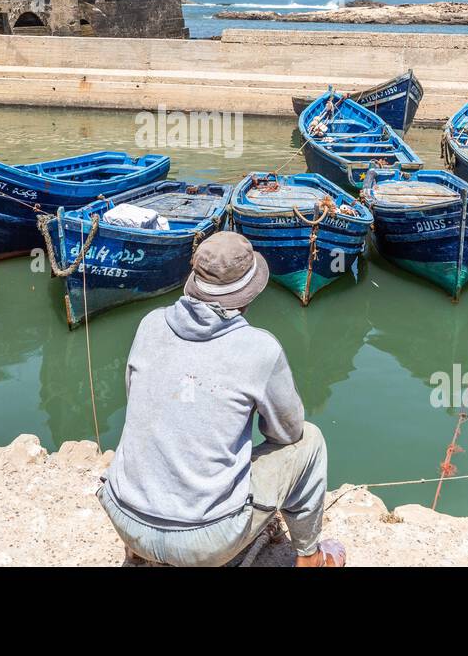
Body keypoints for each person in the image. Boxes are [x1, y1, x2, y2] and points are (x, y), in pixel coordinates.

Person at [98, 231, 345, 568]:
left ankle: (142, 550)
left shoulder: (150, 324)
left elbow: (140, 403)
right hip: (203, 542)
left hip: (123, 515)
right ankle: (311, 557)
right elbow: (288, 433)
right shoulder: (260, 349)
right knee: (311, 441)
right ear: (249, 292)